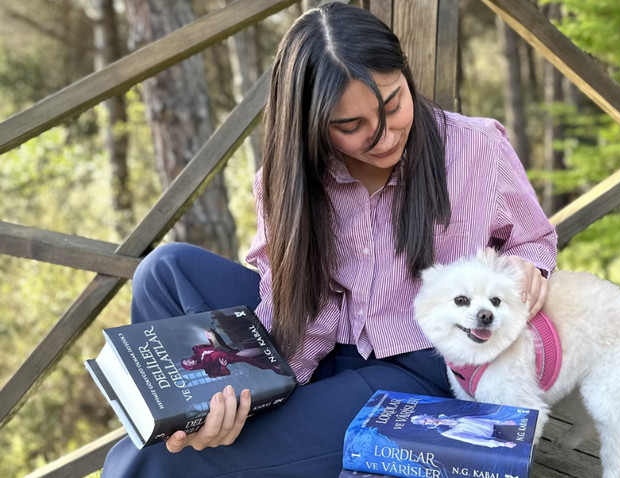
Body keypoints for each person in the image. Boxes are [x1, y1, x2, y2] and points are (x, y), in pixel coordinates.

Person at [102, 3, 557, 477]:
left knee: (152, 462)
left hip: (415, 371)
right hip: (310, 341)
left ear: (405, 75)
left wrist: (529, 267)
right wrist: (255, 389)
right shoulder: (287, 179)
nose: (383, 136)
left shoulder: (477, 147)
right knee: (163, 269)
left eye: (393, 104)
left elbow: (532, 240)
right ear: (312, 122)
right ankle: (181, 411)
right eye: (351, 126)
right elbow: (291, 302)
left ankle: (190, 448)